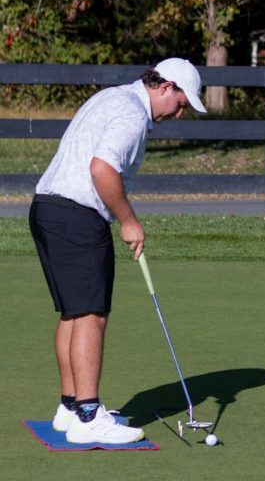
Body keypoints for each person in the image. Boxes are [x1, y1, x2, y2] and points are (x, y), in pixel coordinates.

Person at [29, 58, 206, 444]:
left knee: (74, 313)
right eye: (180, 103)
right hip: (76, 215)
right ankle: (89, 416)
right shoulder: (130, 114)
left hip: (48, 208)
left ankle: (71, 408)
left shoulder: (113, 97)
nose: (179, 113)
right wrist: (128, 220)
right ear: (165, 87)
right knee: (92, 314)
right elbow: (101, 169)